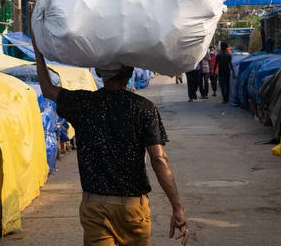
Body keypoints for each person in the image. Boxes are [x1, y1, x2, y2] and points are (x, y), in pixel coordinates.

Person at [32, 36, 189, 246]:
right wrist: (177, 207)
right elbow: (159, 159)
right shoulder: (143, 108)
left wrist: (38, 48)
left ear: (98, 72)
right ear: (130, 72)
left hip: (94, 208)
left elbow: (46, 88)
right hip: (133, 210)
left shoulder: (83, 104)